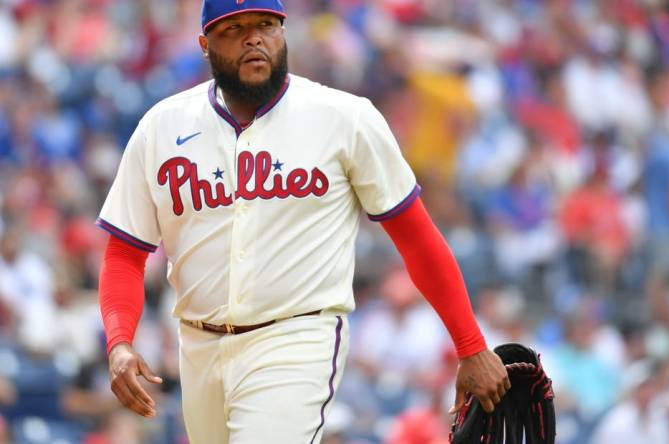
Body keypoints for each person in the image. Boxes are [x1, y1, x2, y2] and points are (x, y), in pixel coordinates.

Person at [95, 1, 509, 442]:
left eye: (265, 25)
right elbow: (125, 253)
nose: (253, 38)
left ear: (283, 33)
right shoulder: (162, 127)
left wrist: (470, 345)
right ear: (204, 45)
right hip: (197, 344)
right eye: (233, 28)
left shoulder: (344, 117)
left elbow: (417, 238)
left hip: (297, 336)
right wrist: (119, 341)